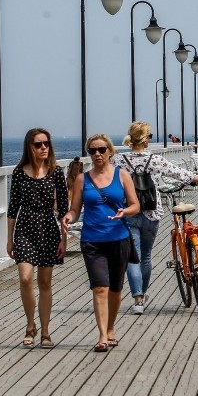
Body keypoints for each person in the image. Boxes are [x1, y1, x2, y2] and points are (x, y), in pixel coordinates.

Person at [112, 122, 198, 314]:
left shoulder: (119, 160)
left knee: (133, 258)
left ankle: (138, 299)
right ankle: (144, 292)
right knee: (146, 256)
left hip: (128, 211)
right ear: (145, 139)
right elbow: (178, 173)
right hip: (151, 212)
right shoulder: (154, 160)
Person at [61, 134, 140, 352]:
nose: (97, 154)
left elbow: (136, 205)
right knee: (100, 288)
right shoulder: (81, 179)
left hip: (119, 238)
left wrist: (126, 211)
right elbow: (76, 210)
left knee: (115, 288)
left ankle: (111, 327)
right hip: (92, 240)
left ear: (110, 151)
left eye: (101, 150)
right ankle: (103, 335)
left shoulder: (122, 175)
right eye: (92, 150)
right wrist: (69, 217)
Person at [7, 128, 69, 349]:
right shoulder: (19, 172)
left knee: (44, 282)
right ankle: (29, 325)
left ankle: (45, 331)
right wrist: (10, 239)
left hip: (48, 229)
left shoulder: (56, 172)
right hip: (24, 228)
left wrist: (64, 238)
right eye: (38, 144)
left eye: (46, 143)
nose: (44, 147)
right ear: (29, 147)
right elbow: (13, 207)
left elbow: (63, 208)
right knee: (25, 278)